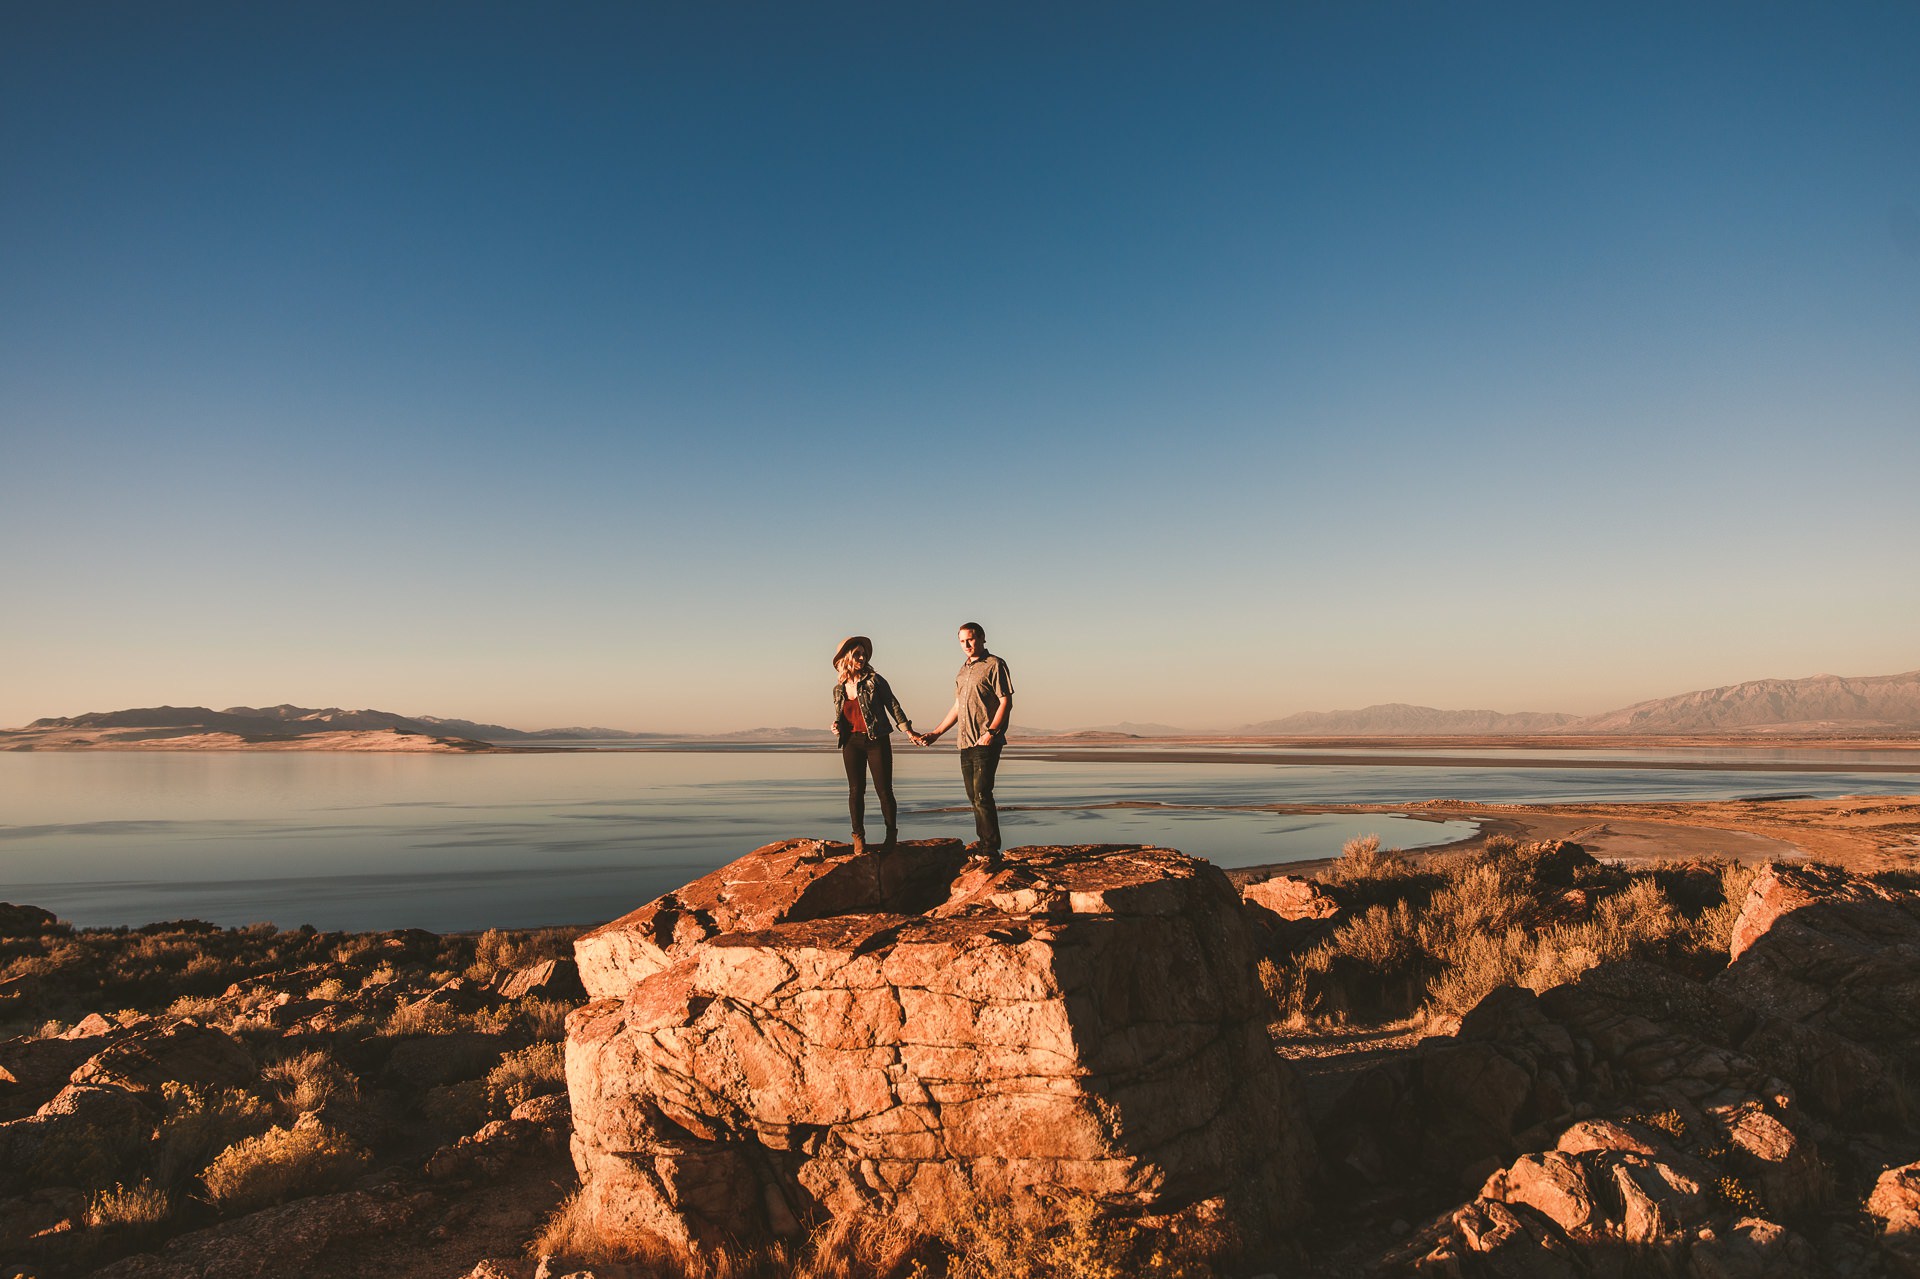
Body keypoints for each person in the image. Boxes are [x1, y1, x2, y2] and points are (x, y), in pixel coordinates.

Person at [918, 622, 1014, 862]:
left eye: (970, 639)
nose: (967, 645)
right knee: (973, 795)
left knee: (982, 793)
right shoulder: (962, 671)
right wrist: (937, 732)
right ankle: (983, 845)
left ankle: (991, 850)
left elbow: (1005, 702)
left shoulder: (995, 665)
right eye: (962, 641)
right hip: (965, 742)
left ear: (982, 638)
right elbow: (957, 707)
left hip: (986, 741)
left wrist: (992, 731)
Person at [830, 636, 921, 855]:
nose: (862, 657)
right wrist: (836, 726)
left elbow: (893, 706)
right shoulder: (838, 689)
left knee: (884, 790)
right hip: (851, 742)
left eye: (864, 654)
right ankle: (858, 837)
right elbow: (844, 717)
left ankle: (891, 836)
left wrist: (908, 731)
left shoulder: (875, 681)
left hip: (876, 740)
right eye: (857, 654)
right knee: (855, 791)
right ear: (847, 658)